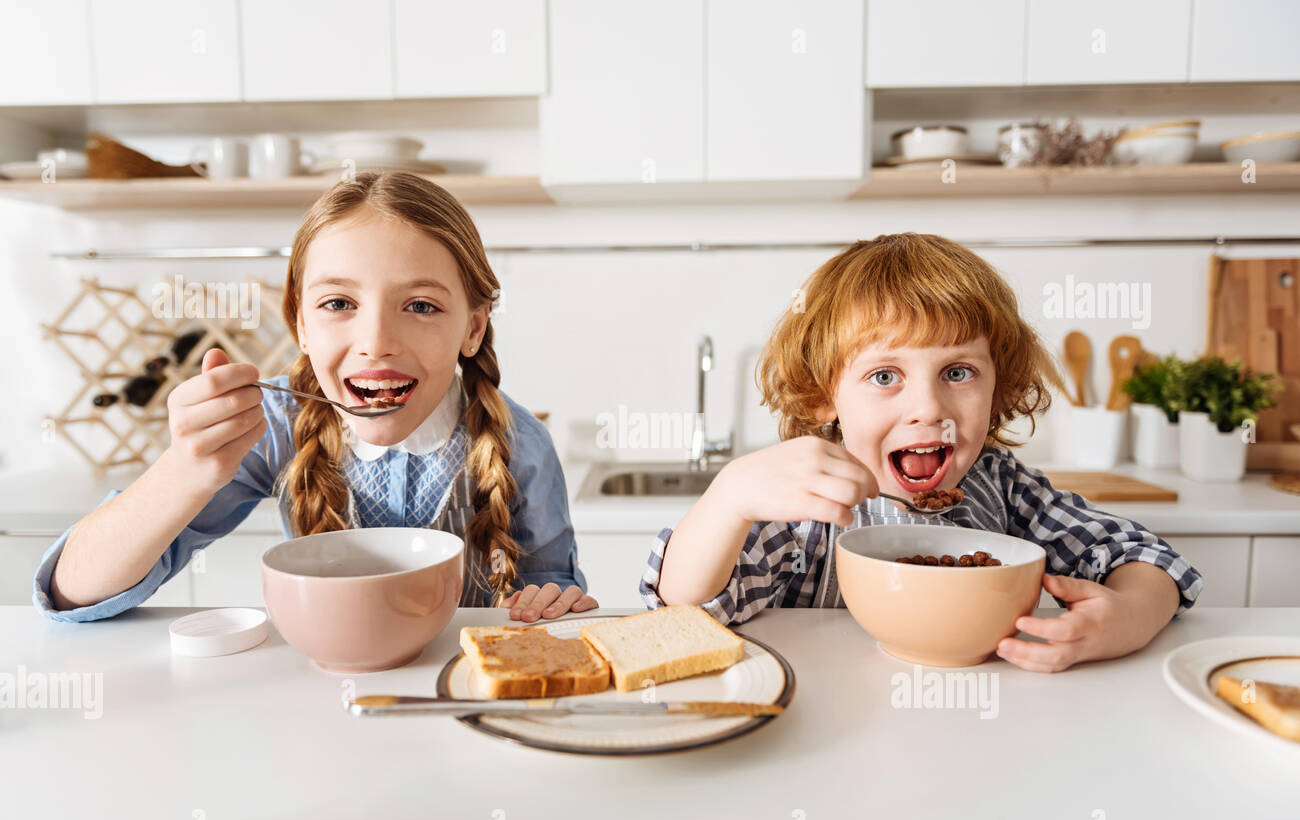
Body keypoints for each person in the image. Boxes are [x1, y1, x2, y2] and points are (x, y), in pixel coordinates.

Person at [37, 172, 596, 624]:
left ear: (472, 329)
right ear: (301, 325)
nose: (376, 343)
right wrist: (185, 469)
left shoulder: (520, 445)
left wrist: (553, 607)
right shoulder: (275, 423)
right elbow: (73, 592)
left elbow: (556, 604)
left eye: (421, 305)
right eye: (338, 304)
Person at [641, 233, 1202, 672]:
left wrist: (1127, 616)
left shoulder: (1001, 484)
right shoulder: (803, 500)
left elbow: (1141, 555)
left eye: (958, 372)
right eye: (885, 375)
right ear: (821, 398)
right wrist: (729, 497)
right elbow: (686, 607)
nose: (928, 407)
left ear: (997, 386)